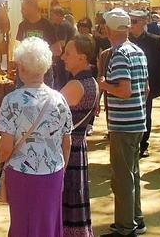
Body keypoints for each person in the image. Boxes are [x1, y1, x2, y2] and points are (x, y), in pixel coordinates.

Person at [0, 37, 72, 237]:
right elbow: (67, 142)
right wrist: (61, 169)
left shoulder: (11, 101)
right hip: (53, 172)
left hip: (21, 174)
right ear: (46, 67)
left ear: (20, 68)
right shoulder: (59, 99)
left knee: (23, 224)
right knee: (50, 224)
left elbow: (5, 148)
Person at [97, 8, 148, 236]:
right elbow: (145, 89)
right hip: (137, 121)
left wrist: (104, 84)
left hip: (123, 124)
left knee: (122, 176)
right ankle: (135, 219)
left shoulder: (119, 54)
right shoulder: (138, 51)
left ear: (108, 30)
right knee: (132, 172)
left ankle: (126, 227)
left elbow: (124, 91)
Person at [60, 35, 99, 237]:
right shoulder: (91, 81)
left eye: (68, 53)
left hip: (68, 148)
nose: (63, 57)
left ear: (82, 58)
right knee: (75, 197)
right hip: (78, 146)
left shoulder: (76, 86)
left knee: (68, 198)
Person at [128, 10, 160, 158]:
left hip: (147, 86)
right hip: (128, 85)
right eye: (129, 21)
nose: (130, 25)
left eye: (134, 21)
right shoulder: (125, 40)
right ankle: (131, 145)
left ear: (144, 22)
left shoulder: (155, 40)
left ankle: (143, 145)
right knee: (130, 116)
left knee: (146, 115)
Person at [16, 0, 61, 87]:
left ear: (32, 8)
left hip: (43, 74)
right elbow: (18, 46)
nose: (21, 11)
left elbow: (58, 50)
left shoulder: (47, 25)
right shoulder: (22, 26)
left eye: (24, 8)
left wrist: (40, 56)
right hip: (25, 72)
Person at [50, 6, 76, 89]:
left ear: (58, 15)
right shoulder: (63, 24)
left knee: (62, 80)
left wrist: (48, 49)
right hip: (66, 56)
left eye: (52, 15)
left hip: (64, 57)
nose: (51, 17)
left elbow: (62, 43)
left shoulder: (63, 25)